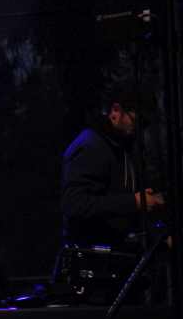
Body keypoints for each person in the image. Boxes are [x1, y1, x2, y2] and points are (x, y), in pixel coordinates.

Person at [61, 86, 164, 248]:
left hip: (112, 255)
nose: (140, 129)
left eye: (145, 124)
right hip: (91, 257)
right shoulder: (91, 145)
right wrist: (134, 202)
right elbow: (75, 204)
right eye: (138, 121)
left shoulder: (122, 148)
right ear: (116, 111)